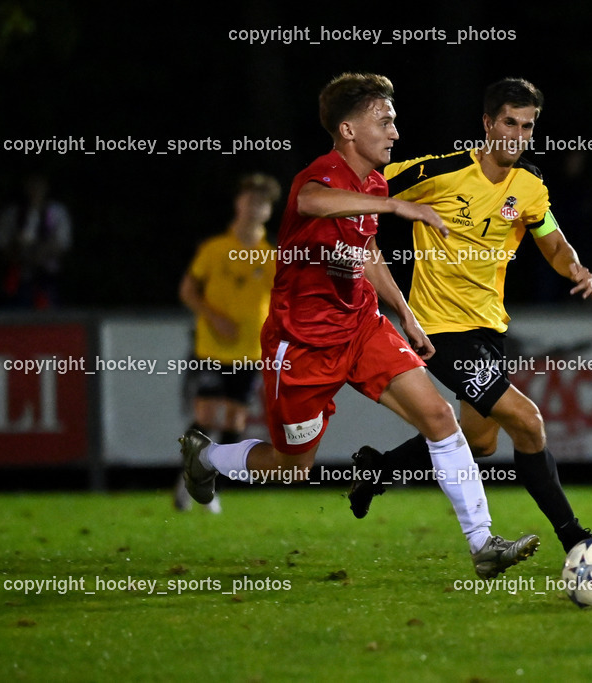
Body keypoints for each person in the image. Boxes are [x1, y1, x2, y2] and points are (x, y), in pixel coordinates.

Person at [179, 72, 538, 579]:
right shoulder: (320, 175)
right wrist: (394, 204)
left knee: (439, 416)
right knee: (291, 470)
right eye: (384, 121)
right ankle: (209, 457)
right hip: (302, 344)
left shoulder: (370, 182)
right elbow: (311, 203)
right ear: (348, 130)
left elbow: (366, 250)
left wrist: (404, 312)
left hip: (362, 325)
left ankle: (483, 543)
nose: (395, 131)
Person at [347, 77, 592, 553]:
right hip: (440, 328)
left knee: (481, 444)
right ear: (487, 123)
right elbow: (364, 183)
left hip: (489, 328)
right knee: (527, 420)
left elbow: (552, 240)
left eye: (528, 126)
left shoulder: (530, 186)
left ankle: (377, 469)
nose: (518, 135)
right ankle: (575, 539)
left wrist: (575, 267)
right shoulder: (438, 172)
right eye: (509, 123)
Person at [173, 172, 282, 513]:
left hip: (250, 352)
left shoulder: (272, 257)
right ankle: (187, 483)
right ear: (238, 203)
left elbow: (283, 304)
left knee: (235, 424)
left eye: (262, 203)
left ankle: (202, 482)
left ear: (269, 211)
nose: (255, 207)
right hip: (211, 348)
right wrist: (214, 315)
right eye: (250, 199)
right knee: (206, 416)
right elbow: (188, 291)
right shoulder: (215, 249)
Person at [0, 172, 73, 309]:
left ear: (46, 188)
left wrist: (42, 252)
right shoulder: (11, 213)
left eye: (39, 186)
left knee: (49, 318)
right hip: (18, 277)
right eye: (32, 186)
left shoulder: (57, 212)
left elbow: (63, 243)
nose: (35, 190)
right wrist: (18, 250)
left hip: (47, 276)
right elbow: (1, 243)